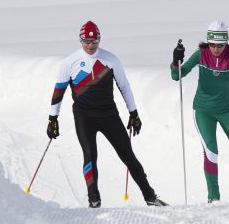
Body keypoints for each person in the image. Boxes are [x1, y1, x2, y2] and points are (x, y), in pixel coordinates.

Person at [48, 21, 166, 208]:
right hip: (84, 116)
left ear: (99, 40)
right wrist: (52, 118)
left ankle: (150, 197)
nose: (90, 45)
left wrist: (133, 113)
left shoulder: (110, 60)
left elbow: (124, 85)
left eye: (94, 41)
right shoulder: (69, 62)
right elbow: (59, 90)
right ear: (80, 40)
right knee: (90, 155)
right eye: (86, 41)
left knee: (128, 156)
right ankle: (93, 198)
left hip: (108, 115)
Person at [170, 20, 229, 203]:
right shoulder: (201, 54)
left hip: (228, 110)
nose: (216, 49)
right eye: (213, 45)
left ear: (226, 43)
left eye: (220, 45)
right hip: (203, 110)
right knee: (211, 152)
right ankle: (213, 198)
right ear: (208, 42)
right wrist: (176, 61)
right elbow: (177, 76)